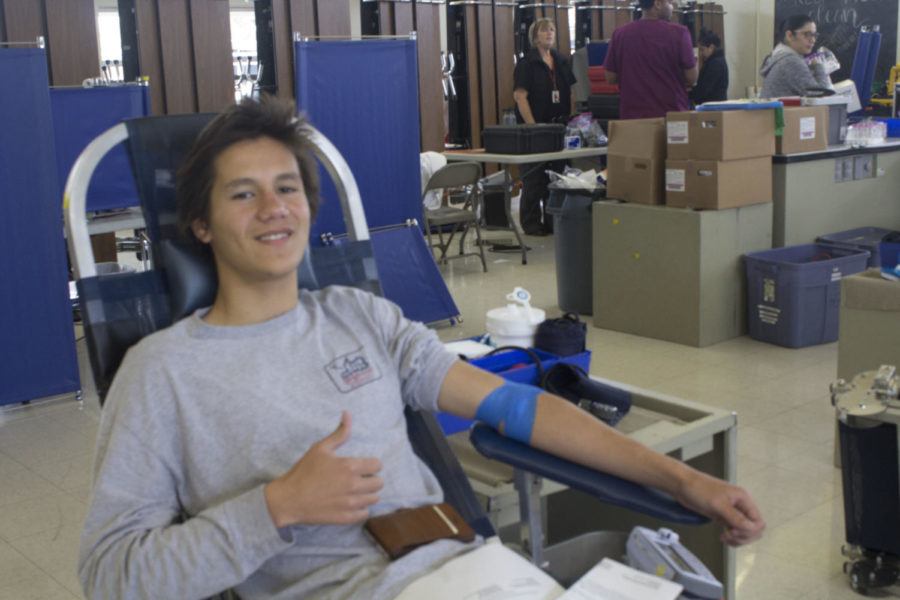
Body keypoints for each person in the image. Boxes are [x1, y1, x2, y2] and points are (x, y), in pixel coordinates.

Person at [78, 96, 765, 600]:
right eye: (243, 194)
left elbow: (517, 409)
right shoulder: (164, 371)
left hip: (477, 576)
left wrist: (684, 479)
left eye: (288, 187)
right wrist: (277, 506)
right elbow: (112, 574)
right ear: (199, 223)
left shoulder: (359, 317)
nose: (274, 208)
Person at [512, 17, 576, 236]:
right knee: (534, 178)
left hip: (558, 126)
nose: (549, 33)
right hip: (535, 129)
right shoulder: (527, 63)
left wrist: (572, 118)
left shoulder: (561, 60)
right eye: (544, 31)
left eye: (552, 30)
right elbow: (520, 96)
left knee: (556, 175)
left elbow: (572, 91)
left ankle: (552, 220)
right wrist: (533, 126)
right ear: (534, 36)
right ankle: (531, 223)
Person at [603, 0, 698, 119]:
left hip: (633, 119)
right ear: (657, 4)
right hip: (672, 117)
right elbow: (692, 78)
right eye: (669, 2)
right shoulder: (679, 33)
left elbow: (610, 78)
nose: (672, 7)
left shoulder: (620, 34)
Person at [760, 15, 833, 98]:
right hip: (784, 111)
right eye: (807, 34)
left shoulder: (779, 56)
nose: (812, 40)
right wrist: (819, 66)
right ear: (789, 35)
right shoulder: (790, 61)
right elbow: (824, 95)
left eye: (814, 35)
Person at [691, 28, 729, 106]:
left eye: (702, 49)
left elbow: (704, 90)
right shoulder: (719, 60)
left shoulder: (715, 64)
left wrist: (686, 94)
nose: (700, 53)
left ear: (711, 47)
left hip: (713, 107)